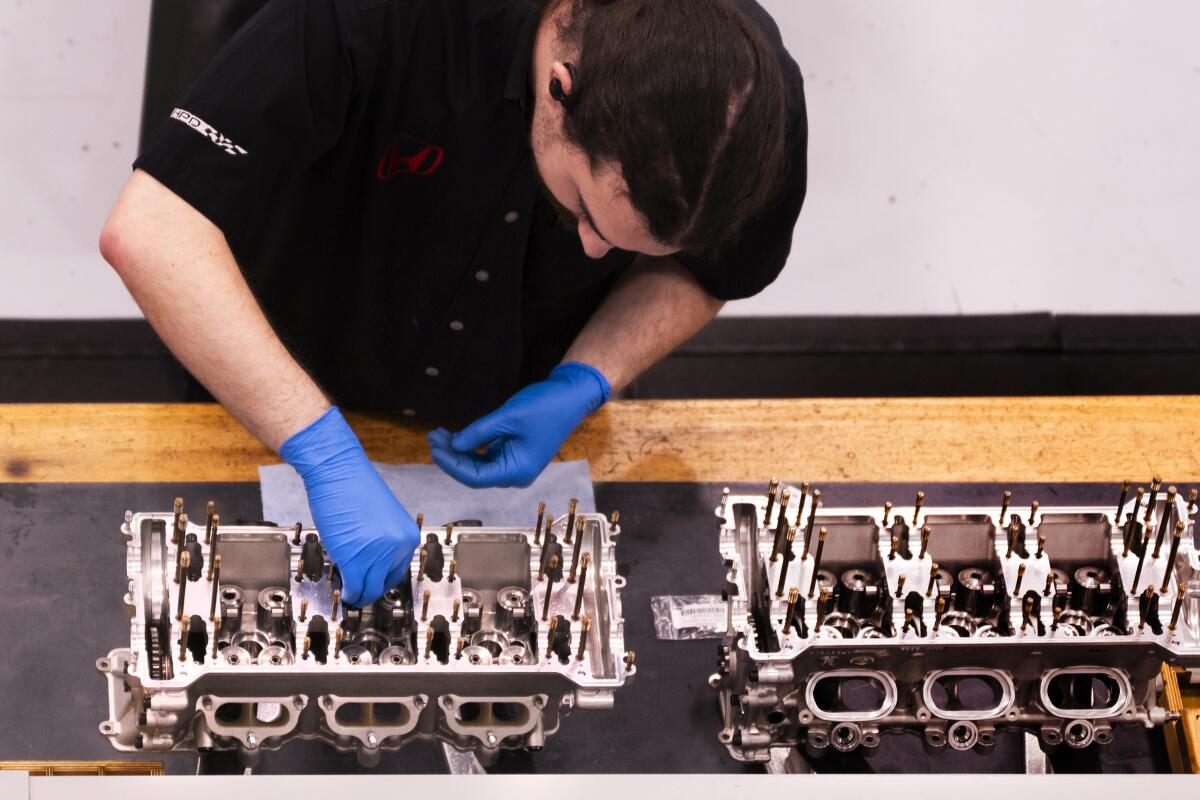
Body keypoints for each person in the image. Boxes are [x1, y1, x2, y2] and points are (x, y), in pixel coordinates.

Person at [99, 0, 808, 606]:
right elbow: (151, 229)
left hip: (521, 434)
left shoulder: (746, 101)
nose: (598, 251)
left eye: (631, 247)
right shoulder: (375, 17)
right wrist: (323, 453)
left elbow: (712, 271)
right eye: (587, 211)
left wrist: (588, 376)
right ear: (561, 88)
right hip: (276, 398)